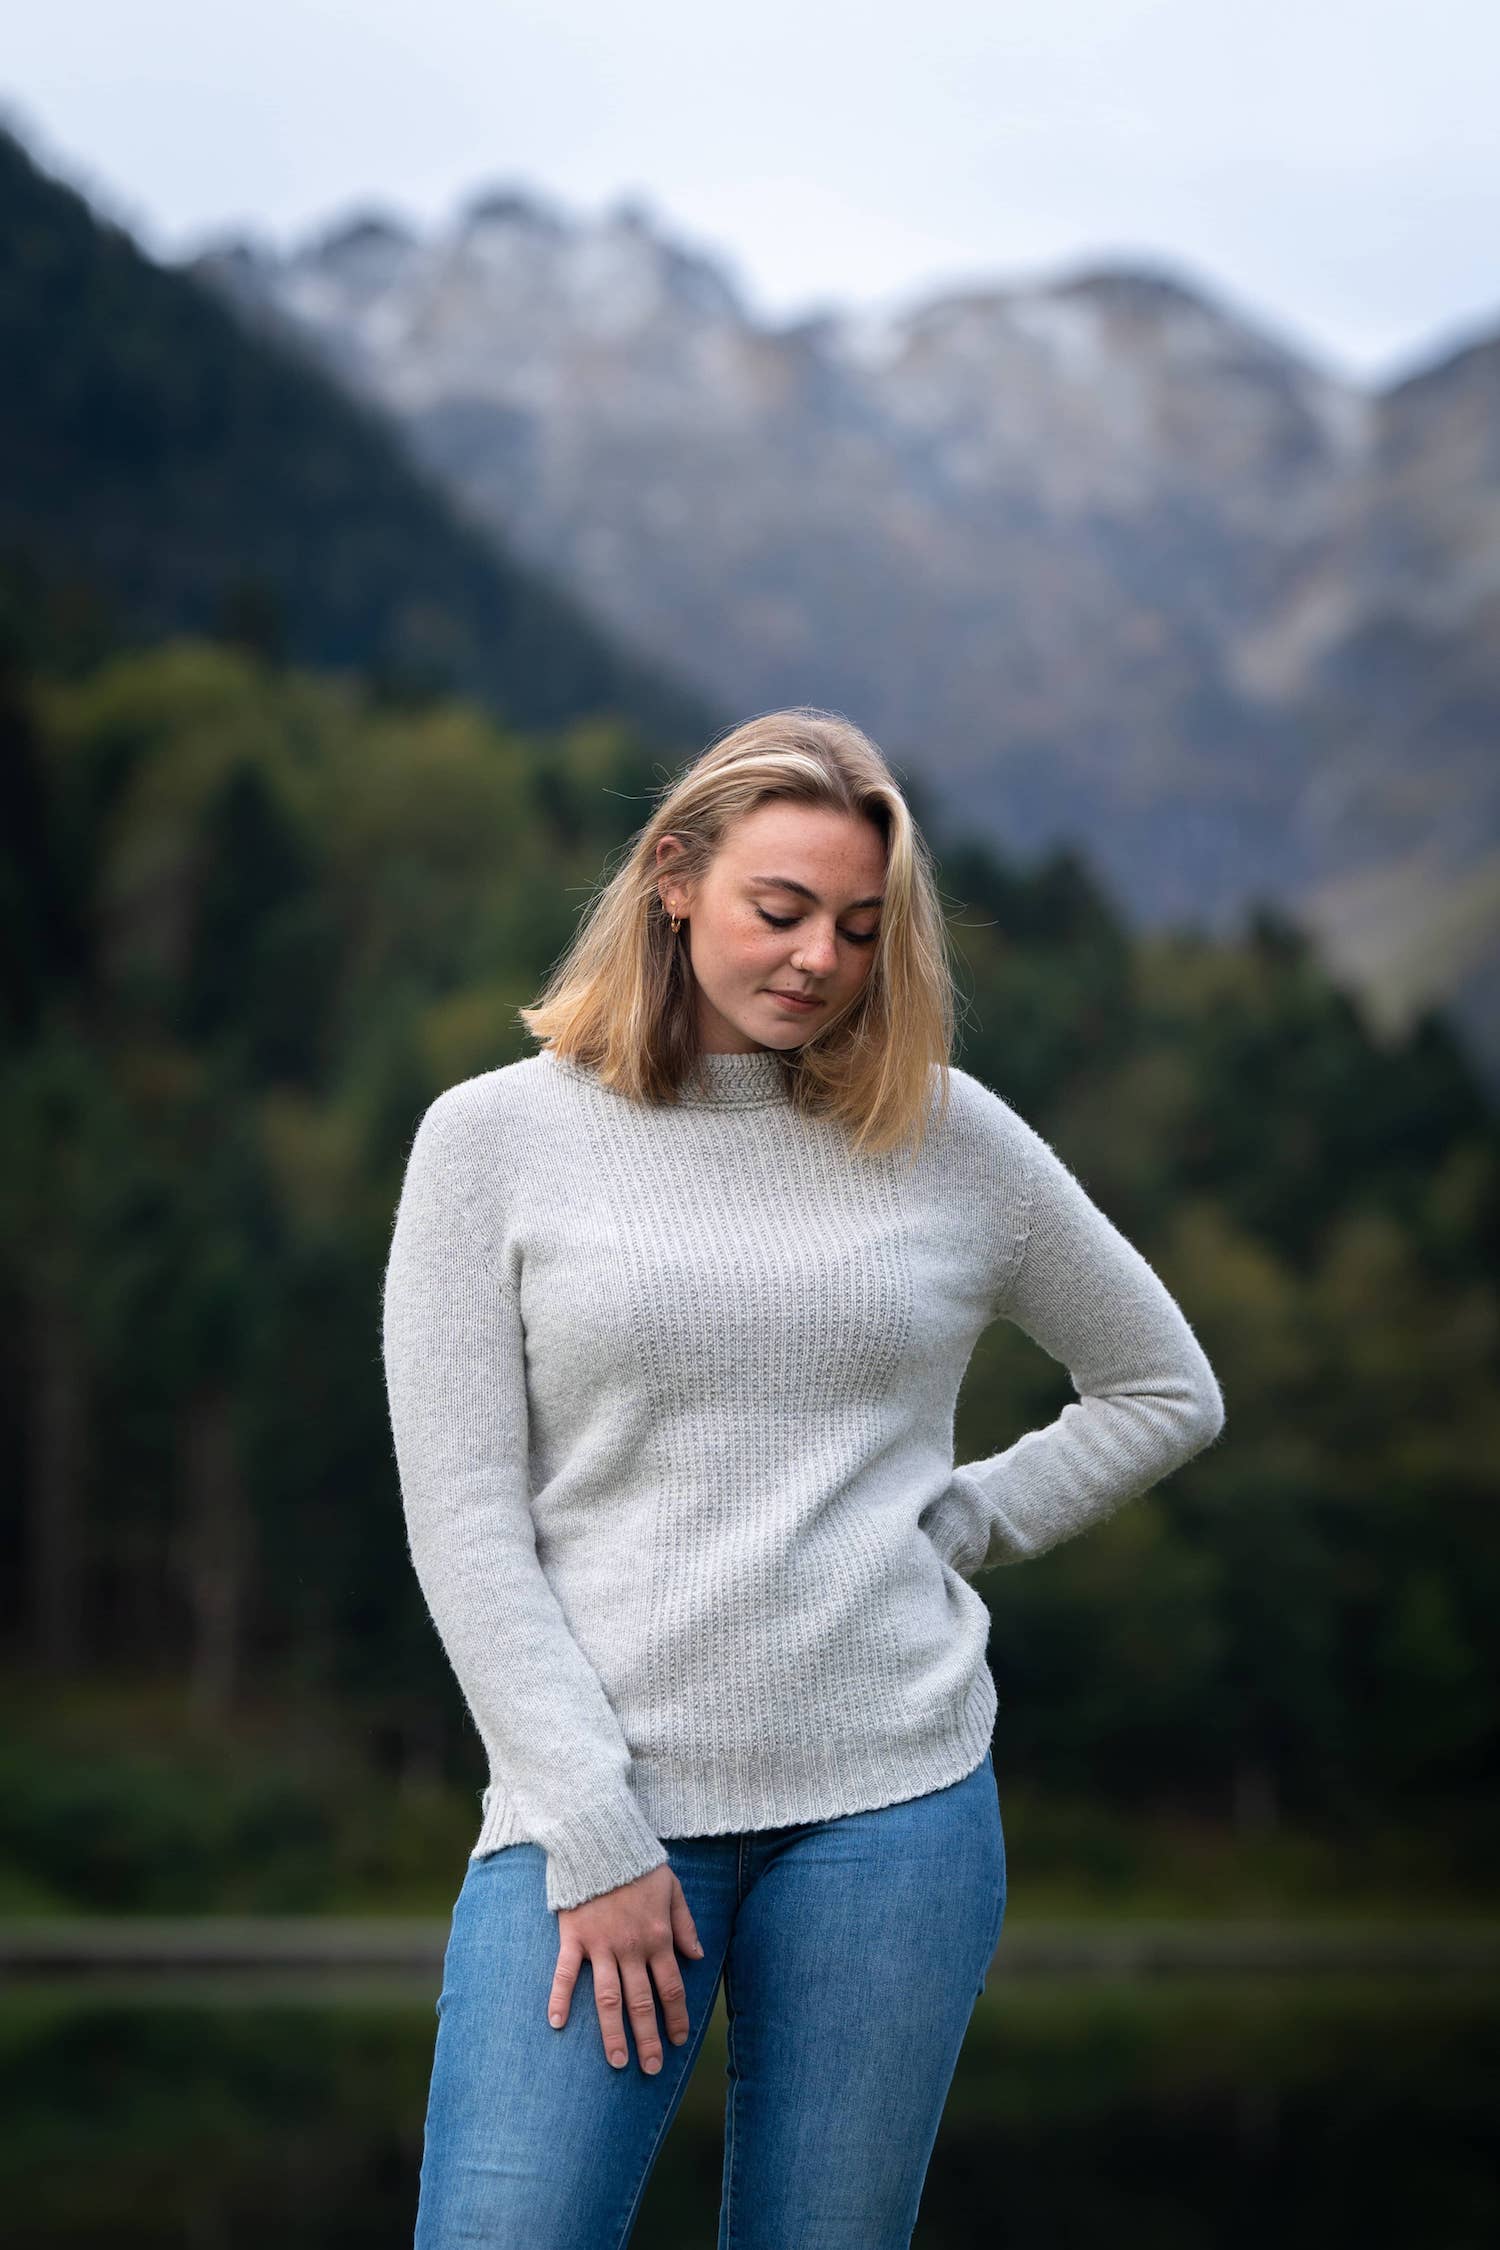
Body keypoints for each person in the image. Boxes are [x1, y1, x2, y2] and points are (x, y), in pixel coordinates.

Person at [381, 707, 1226, 2248]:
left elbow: (1165, 1387)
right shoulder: (489, 1140)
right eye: (783, 910)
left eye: (858, 925)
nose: (821, 958)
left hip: (896, 1808)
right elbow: (465, 1518)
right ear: (675, 876)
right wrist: (593, 1823)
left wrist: (963, 1519)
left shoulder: (951, 1138)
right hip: (599, 1809)